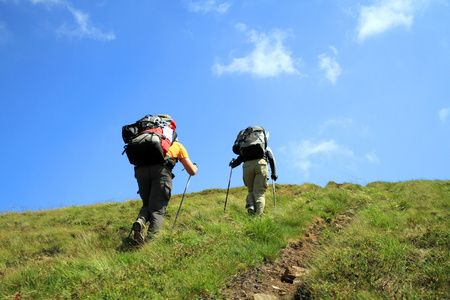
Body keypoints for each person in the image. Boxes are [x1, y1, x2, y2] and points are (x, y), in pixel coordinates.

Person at [132, 134, 198, 244]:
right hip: (161, 172)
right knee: (157, 210)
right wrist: (195, 166)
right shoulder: (177, 146)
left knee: (147, 205)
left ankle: (141, 220)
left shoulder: (149, 144)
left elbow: (136, 174)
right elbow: (192, 171)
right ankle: (151, 244)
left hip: (140, 172)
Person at [229, 126, 277, 216]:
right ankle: (258, 217)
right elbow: (271, 158)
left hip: (247, 166)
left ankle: (251, 205)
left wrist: (232, 164)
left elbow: (239, 159)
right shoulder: (264, 147)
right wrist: (273, 173)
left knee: (251, 191)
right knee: (259, 193)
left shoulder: (245, 146)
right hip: (260, 164)